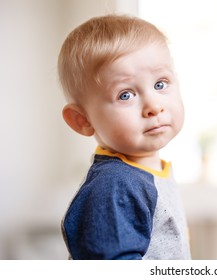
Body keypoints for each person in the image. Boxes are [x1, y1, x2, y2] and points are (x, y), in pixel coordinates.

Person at [57, 14, 190, 259]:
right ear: (83, 120)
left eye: (160, 84)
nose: (154, 105)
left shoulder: (149, 171)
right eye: (126, 95)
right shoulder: (116, 186)